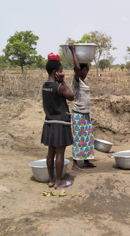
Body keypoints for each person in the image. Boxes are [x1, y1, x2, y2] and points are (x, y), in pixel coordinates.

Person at [41, 53, 74, 189]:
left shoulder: (44, 86)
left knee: (51, 153)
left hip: (49, 122)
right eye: (61, 70)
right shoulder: (59, 87)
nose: (62, 73)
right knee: (60, 153)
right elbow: (71, 96)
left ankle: (51, 180)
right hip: (60, 123)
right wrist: (63, 82)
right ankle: (59, 182)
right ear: (56, 72)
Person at [68, 43, 96, 171]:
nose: (87, 71)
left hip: (85, 113)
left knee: (87, 138)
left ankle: (86, 160)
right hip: (78, 113)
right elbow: (77, 69)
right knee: (79, 138)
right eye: (85, 69)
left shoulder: (83, 81)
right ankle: (75, 163)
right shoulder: (76, 80)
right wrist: (73, 51)